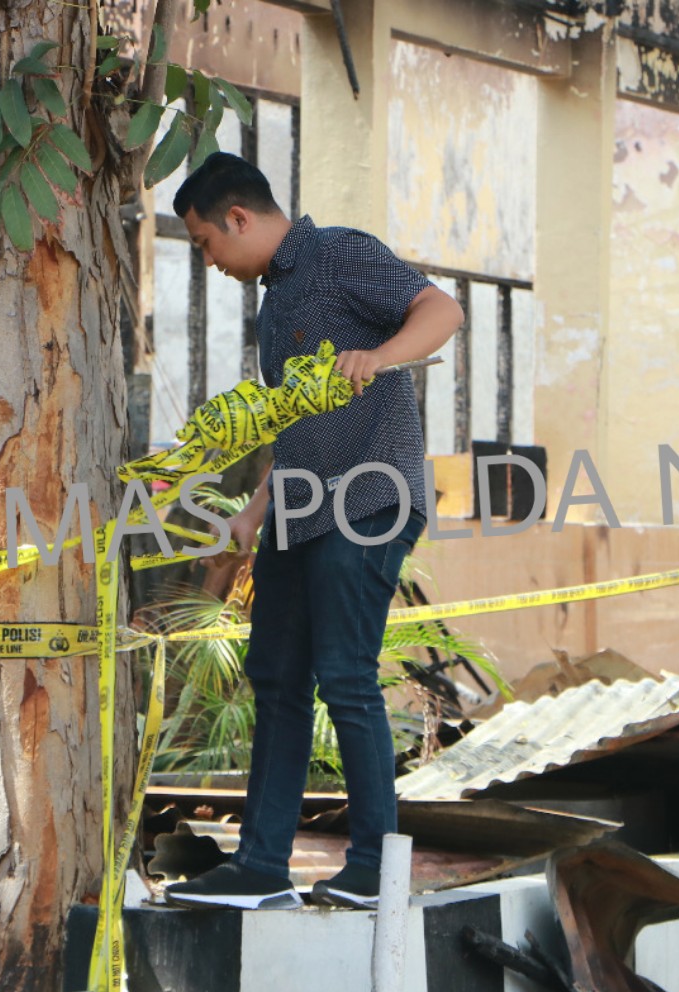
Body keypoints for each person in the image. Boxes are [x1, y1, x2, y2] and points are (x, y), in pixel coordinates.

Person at [163, 153, 464, 911]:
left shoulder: (339, 253)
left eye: (204, 243)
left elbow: (442, 312)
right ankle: (262, 866)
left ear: (238, 218)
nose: (209, 261)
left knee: (346, 677)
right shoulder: (277, 301)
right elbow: (295, 425)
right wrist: (254, 510)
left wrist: (381, 355)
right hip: (296, 510)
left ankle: (371, 870)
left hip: (369, 498)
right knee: (275, 680)